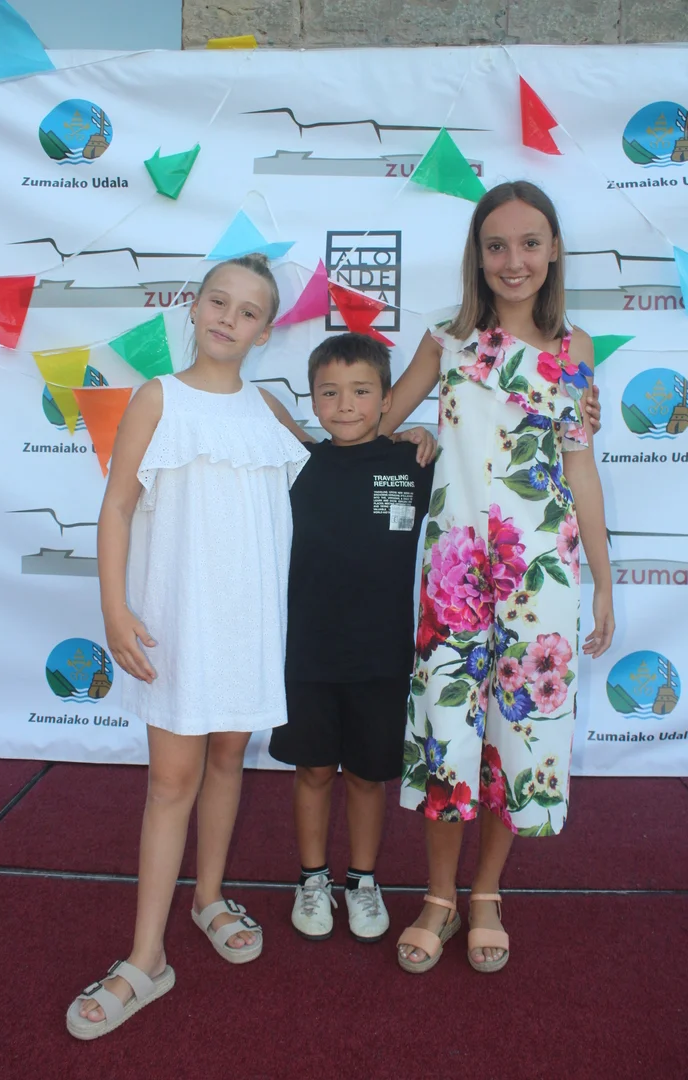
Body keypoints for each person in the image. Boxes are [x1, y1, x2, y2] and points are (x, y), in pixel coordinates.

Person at [66, 253, 312, 1040]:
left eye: (248, 311)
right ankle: (146, 958)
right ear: (195, 306)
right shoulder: (157, 397)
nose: (228, 318)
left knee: (229, 758)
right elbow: (116, 507)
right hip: (178, 623)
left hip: (249, 625)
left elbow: (339, 454)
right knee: (171, 782)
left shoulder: (268, 409)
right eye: (218, 301)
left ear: (265, 332)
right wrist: (114, 609)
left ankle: (208, 899)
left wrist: (405, 430)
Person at [378, 181, 614, 975]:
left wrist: (604, 583)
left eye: (530, 243)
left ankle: (485, 893)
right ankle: (438, 897)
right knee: (446, 734)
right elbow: (377, 423)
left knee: (521, 736)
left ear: (554, 251)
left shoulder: (575, 350)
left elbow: (580, 471)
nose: (514, 260)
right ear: (477, 256)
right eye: (497, 245)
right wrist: (412, 434)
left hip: (541, 576)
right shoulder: (446, 340)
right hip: (453, 573)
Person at [269, 332, 436, 943]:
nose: (345, 405)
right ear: (312, 399)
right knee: (313, 771)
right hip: (307, 656)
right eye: (329, 392)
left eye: (362, 392)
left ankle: (362, 881)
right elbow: (257, 403)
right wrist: (291, 426)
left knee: (368, 777)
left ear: (388, 398)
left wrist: (424, 433)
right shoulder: (297, 463)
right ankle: (313, 878)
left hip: (382, 657)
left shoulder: (414, 463)